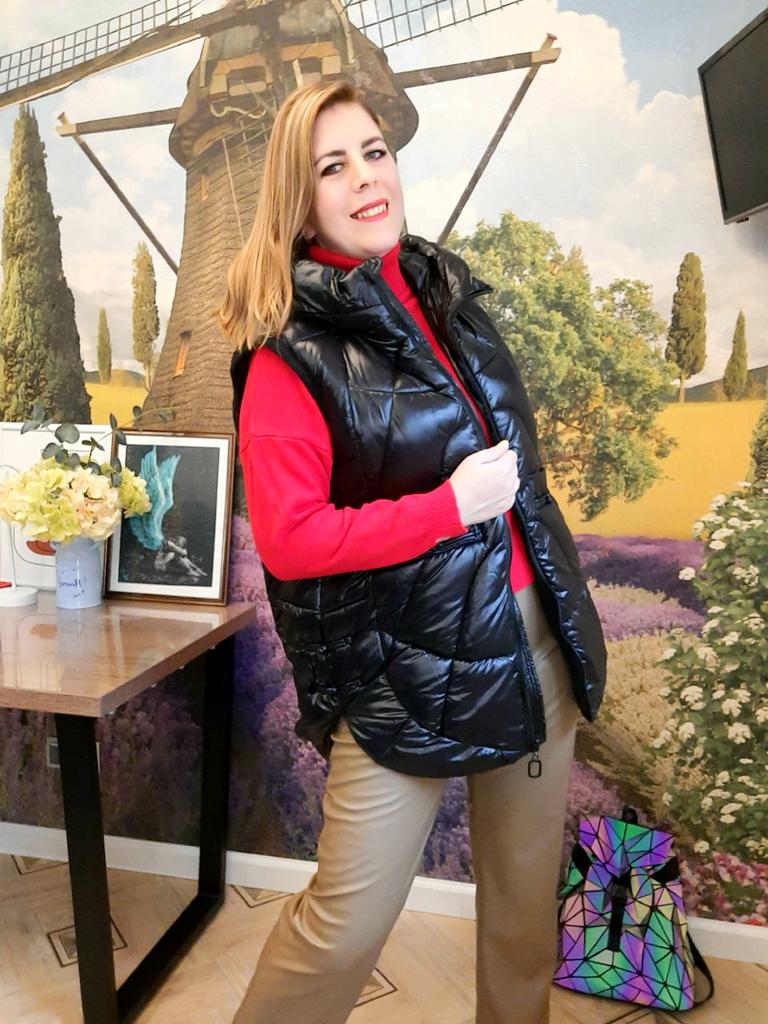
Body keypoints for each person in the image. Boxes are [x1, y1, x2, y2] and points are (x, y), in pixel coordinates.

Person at [220, 79, 607, 1024]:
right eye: (332, 166)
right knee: (345, 923)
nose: (364, 178)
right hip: (403, 664)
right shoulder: (284, 357)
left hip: (533, 634)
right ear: (298, 199)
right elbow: (291, 540)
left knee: (523, 904)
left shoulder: (450, 298)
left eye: (374, 152)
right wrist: (444, 509)